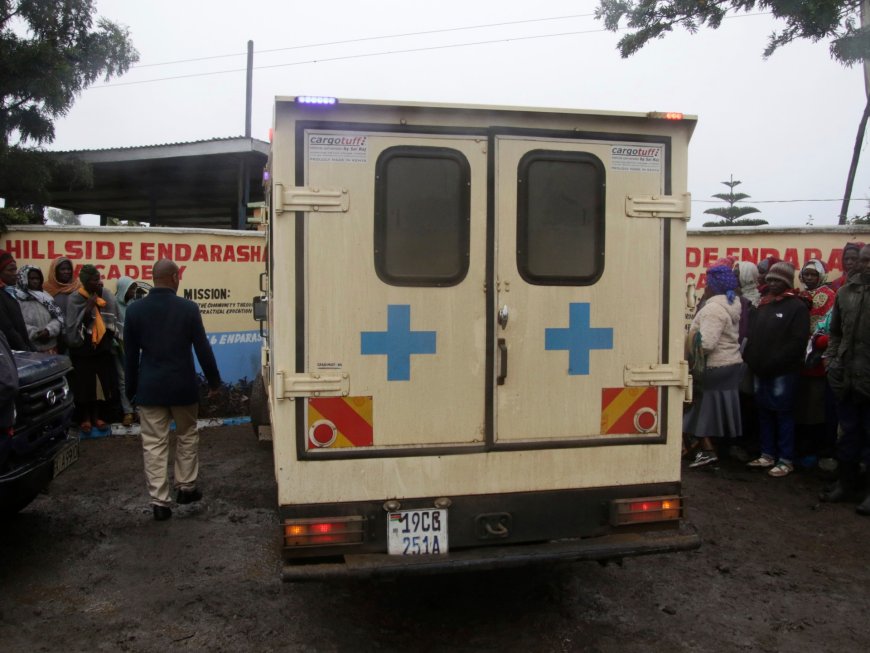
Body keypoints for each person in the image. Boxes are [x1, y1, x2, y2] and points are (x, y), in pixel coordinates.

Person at [125, 259, 221, 521]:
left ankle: (160, 503)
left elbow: (130, 357)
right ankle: (186, 488)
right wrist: (214, 382)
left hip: (150, 389)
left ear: (154, 278)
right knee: (187, 435)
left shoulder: (135, 311)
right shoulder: (188, 308)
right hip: (182, 388)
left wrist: (131, 391)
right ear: (175, 278)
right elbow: (203, 349)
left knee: (154, 444)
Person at [742, 262, 810, 477]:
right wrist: (753, 360)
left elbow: (797, 343)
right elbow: (752, 336)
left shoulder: (796, 307)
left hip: (783, 373)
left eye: (777, 280)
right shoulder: (764, 305)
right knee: (764, 412)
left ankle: (785, 459)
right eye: (770, 279)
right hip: (760, 371)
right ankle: (767, 455)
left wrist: (774, 363)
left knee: (783, 414)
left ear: (787, 282)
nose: (771, 283)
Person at [820, 244, 870, 515]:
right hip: (846, 378)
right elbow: (835, 332)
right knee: (848, 435)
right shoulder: (845, 293)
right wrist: (832, 361)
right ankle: (846, 484)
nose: (865, 264)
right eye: (863, 260)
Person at [684, 264, 744, 468]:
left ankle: (707, 451)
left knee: (696, 409)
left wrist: (690, 344)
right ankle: (721, 449)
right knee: (717, 410)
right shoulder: (732, 303)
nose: (704, 287)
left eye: (707, 283)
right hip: (731, 365)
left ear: (713, 286)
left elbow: (707, 344)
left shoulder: (713, 309)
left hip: (714, 367)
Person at [66, 265, 119, 432]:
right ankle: (86, 418)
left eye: (99, 278)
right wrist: (88, 308)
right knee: (84, 387)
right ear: (85, 282)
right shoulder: (75, 298)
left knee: (100, 386)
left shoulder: (105, 295)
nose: (98, 282)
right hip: (82, 351)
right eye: (94, 280)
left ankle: (98, 417)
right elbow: (72, 326)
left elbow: (112, 319)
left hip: (101, 350)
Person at [794, 260, 837, 466]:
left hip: (817, 361)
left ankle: (813, 451)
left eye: (813, 274)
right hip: (797, 359)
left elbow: (830, 328)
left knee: (815, 407)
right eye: (806, 274)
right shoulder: (799, 296)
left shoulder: (830, 296)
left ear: (821, 275)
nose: (809, 278)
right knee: (800, 406)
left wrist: (817, 342)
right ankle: (800, 448)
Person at [12, 265, 65, 353]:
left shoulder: (46, 297)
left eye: (38, 278)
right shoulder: (16, 298)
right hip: (30, 349)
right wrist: (36, 334)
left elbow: (57, 317)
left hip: (50, 347)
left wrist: (48, 331)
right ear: (23, 279)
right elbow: (16, 323)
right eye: (31, 278)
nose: (36, 281)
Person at [114, 277, 141, 427]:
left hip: (135, 348)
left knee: (137, 377)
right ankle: (127, 412)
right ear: (123, 289)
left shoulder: (135, 305)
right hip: (118, 347)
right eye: (131, 289)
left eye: (135, 289)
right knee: (123, 379)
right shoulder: (113, 303)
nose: (133, 292)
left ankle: (138, 409)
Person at [43, 257, 81, 353]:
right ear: (55, 271)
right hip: (54, 337)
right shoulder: (45, 289)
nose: (66, 272)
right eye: (62, 269)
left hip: (76, 335)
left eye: (69, 269)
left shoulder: (78, 287)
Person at [0, 249, 34, 351]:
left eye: (15, 269)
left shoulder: (9, 292)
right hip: (12, 354)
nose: (15, 274)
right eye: (11, 270)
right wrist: (26, 350)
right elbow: (8, 329)